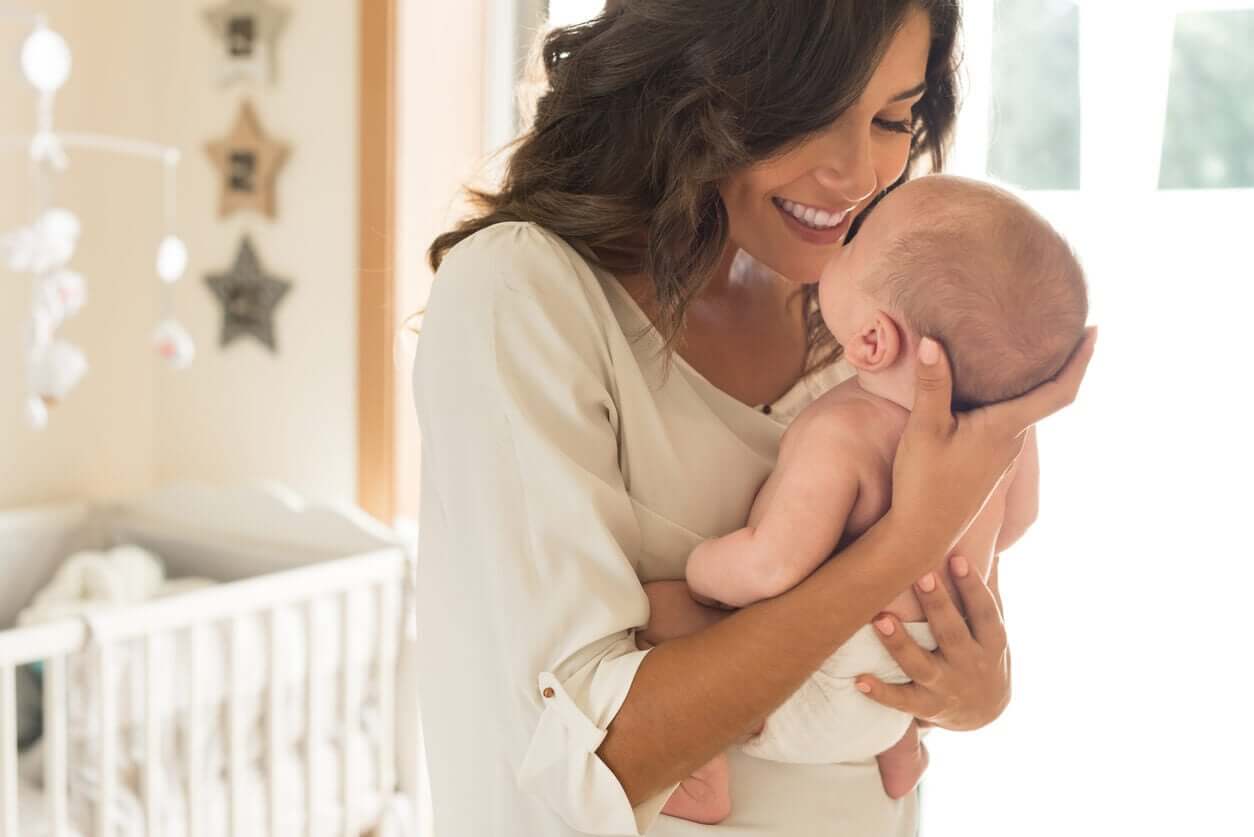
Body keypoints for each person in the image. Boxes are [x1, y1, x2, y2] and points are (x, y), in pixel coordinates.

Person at [412, 1, 1097, 834]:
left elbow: (933, 613)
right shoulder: (523, 294)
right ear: (689, 84)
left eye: (891, 118)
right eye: (808, 114)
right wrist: (900, 548)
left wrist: (975, 690)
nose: (856, 176)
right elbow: (596, 754)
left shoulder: (871, 326)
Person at [644, 174, 1088, 824]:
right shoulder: (997, 451)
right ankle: (901, 753)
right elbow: (1018, 522)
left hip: (816, 684)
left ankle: (702, 773)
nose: (839, 240)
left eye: (853, 241)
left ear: (874, 339)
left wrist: (705, 570)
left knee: (660, 611)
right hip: (909, 690)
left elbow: (772, 564)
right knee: (897, 629)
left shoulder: (846, 429)